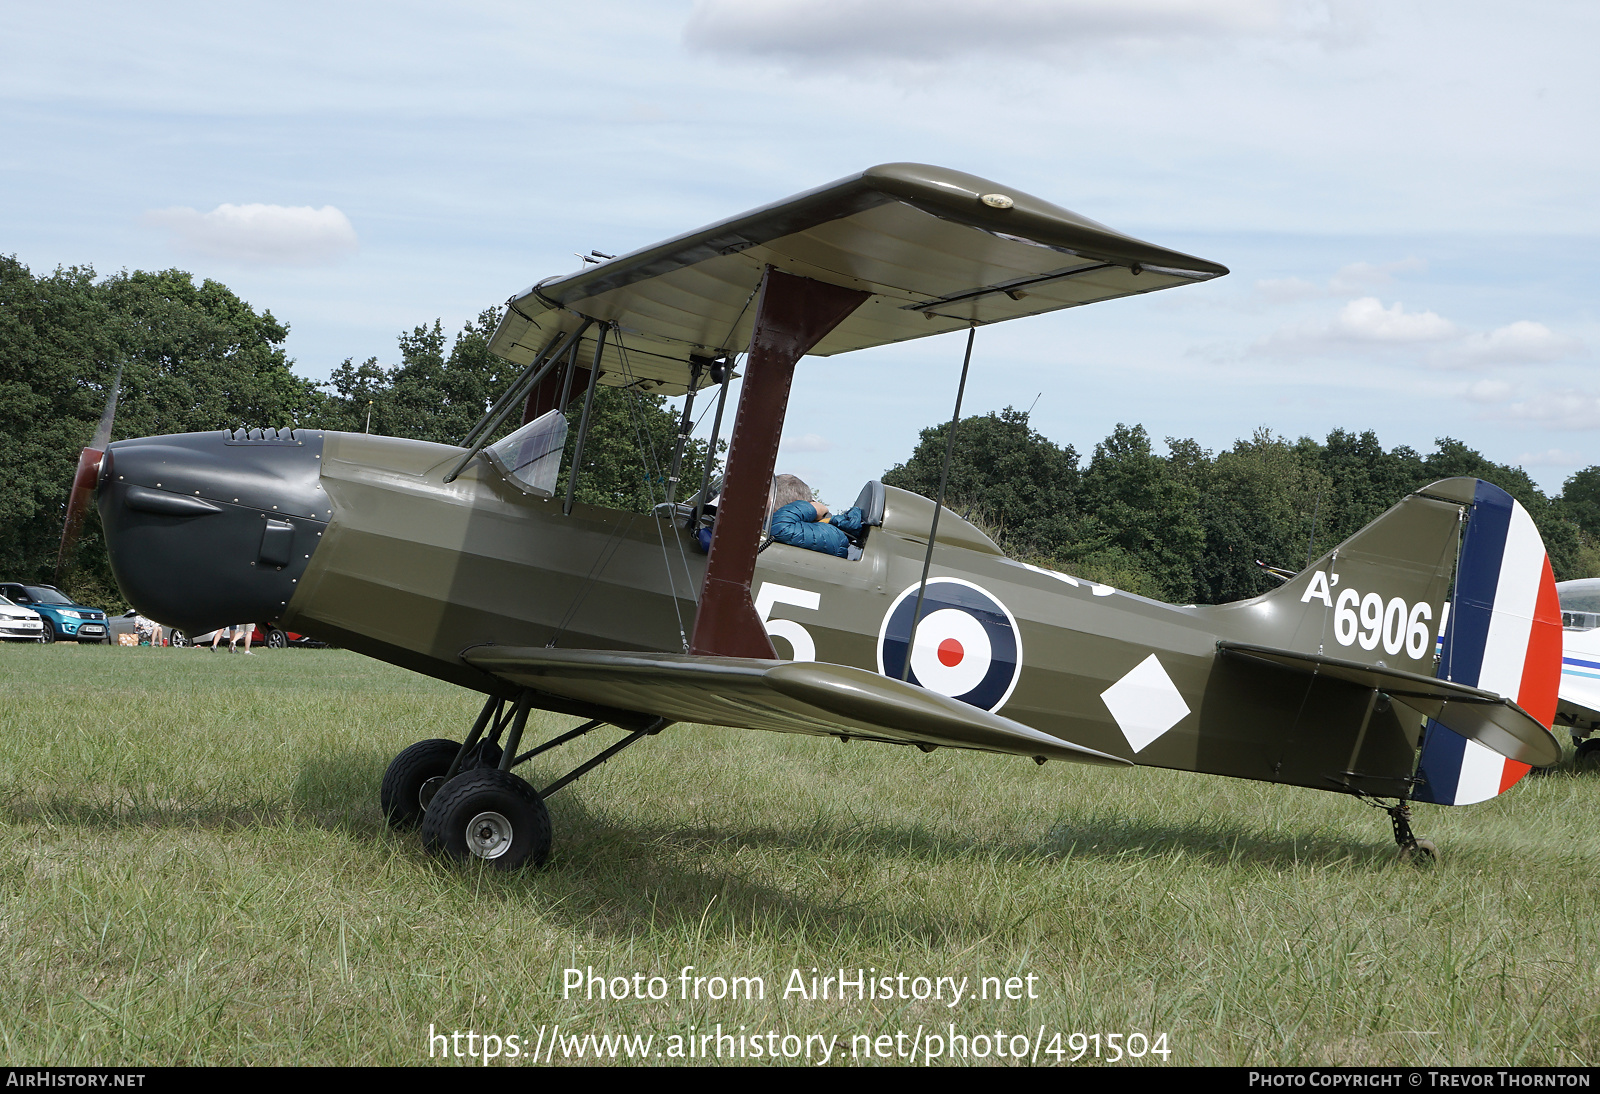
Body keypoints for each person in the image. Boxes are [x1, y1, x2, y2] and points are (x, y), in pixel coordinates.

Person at [767, 474, 865, 558]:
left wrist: (812, 507)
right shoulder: (797, 529)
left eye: (769, 509)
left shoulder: (831, 533)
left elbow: (780, 528)